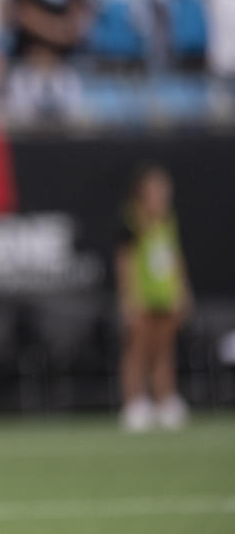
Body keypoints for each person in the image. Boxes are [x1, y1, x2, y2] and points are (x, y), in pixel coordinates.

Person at [115, 165, 193, 431]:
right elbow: (125, 261)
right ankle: (135, 402)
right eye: (156, 188)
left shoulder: (168, 219)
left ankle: (165, 400)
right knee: (138, 349)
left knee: (164, 349)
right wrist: (129, 296)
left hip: (165, 294)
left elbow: (174, 256)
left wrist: (182, 291)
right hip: (142, 296)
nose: (163, 193)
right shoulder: (131, 220)